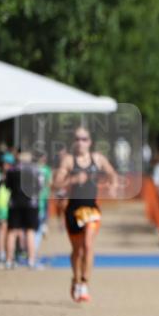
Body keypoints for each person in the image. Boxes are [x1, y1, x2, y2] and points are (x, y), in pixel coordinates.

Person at [53, 127, 118, 302]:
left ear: (90, 142)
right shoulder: (68, 161)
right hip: (73, 210)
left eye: (84, 139)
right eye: (77, 139)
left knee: (88, 245)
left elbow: (112, 173)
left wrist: (113, 186)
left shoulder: (98, 159)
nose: (80, 142)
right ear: (73, 142)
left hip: (91, 209)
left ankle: (84, 284)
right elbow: (56, 184)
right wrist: (73, 179)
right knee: (77, 251)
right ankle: (76, 279)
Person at [4, 150, 42, 269]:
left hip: (15, 204)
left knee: (12, 232)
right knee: (30, 232)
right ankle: (31, 260)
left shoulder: (12, 171)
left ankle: (8, 260)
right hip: (30, 205)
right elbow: (39, 188)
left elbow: (7, 186)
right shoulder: (34, 171)